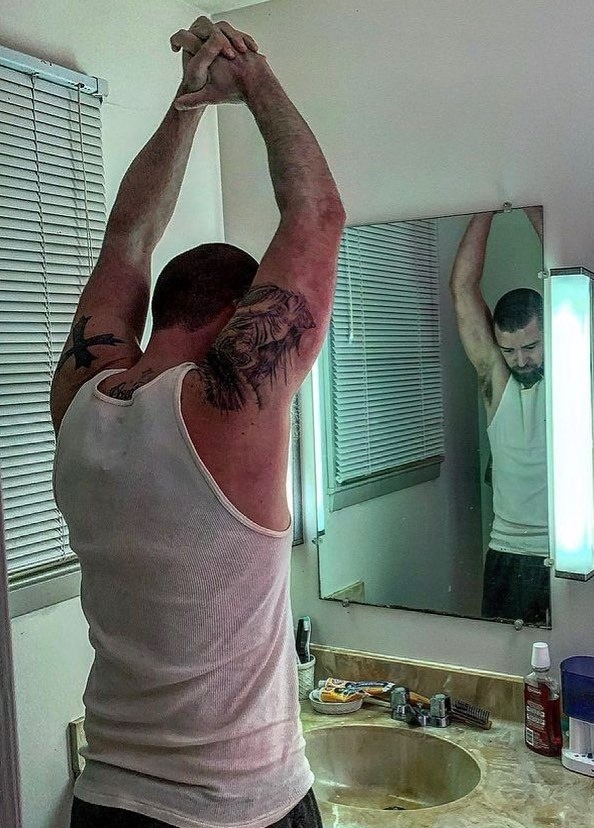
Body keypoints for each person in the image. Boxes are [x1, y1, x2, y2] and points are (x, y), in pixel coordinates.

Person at [51, 17, 344, 828]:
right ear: (235, 321)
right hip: (239, 809)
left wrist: (189, 103)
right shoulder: (225, 409)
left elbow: (127, 238)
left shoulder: (81, 403)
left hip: (107, 799)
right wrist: (250, 73)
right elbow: (316, 215)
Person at [449, 208, 549, 625]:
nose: (520, 360)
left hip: (564, 551)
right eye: (509, 350)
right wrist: (485, 207)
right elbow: (462, 287)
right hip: (507, 553)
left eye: (531, 347)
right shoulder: (498, 383)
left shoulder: (573, 377)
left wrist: (535, 206)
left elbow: (568, 272)